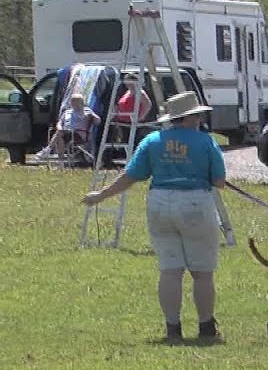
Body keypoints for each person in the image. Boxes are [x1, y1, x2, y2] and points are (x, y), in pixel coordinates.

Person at [82, 92, 227, 342]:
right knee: (202, 273)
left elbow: (131, 175)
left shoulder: (152, 140)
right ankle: (205, 326)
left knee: (170, 271)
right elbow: (219, 181)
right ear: (191, 116)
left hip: (160, 202)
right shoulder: (206, 141)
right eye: (199, 114)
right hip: (194, 202)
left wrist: (101, 195)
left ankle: (173, 328)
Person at [52, 93, 101, 158]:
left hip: (79, 135)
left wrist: (92, 117)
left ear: (82, 103)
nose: (75, 104)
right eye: (73, 102)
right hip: (67, 132)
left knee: (59, 134)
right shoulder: (67, 112)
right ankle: (61, 160)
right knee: (60, 135)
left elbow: (98, 121)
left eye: (77, 102)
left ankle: (48, 150)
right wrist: (59, 128)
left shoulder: (87, 110)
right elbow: (59, 123)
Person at [111, 73, 153, 142]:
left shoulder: (140, 92)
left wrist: (140, 118)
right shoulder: (127, 92)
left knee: (133, 142)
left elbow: (148, 105)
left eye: (129, 82)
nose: (127, 84)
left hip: (133, 123)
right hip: (123, 123)